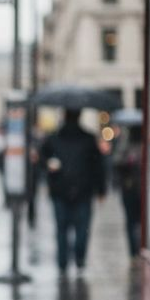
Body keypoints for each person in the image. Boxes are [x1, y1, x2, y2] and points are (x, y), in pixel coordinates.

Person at [39, 107, 106, 273]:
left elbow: (41, 158)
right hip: (83, 190)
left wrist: (49, 165)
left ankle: (62, 263)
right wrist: (101, 189)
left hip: (60, 189)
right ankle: (79, 259)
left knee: (61, 229)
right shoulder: (89, 139)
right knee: (82, 229)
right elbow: (98, 166)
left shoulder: (53, 138)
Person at [114, 123, 143, 256]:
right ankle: (135, 250)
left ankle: (136, 250)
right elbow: (118, 163)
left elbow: (117, 161)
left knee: (133, 221)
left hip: (133, 188)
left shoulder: (126, 145)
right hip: (132, 187)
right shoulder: (127, 145)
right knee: (134, 220)